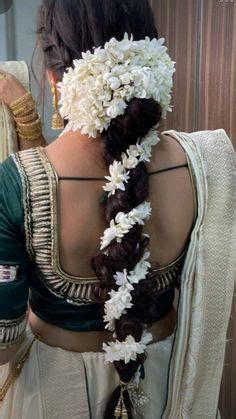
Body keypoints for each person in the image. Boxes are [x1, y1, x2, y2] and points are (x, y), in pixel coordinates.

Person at [0, 1, 235, 418]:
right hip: (167, 390)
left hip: (56, 396)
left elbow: (4, 342)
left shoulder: (16, 183)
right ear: (152, 59)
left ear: (56, 78)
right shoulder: (203, 163)